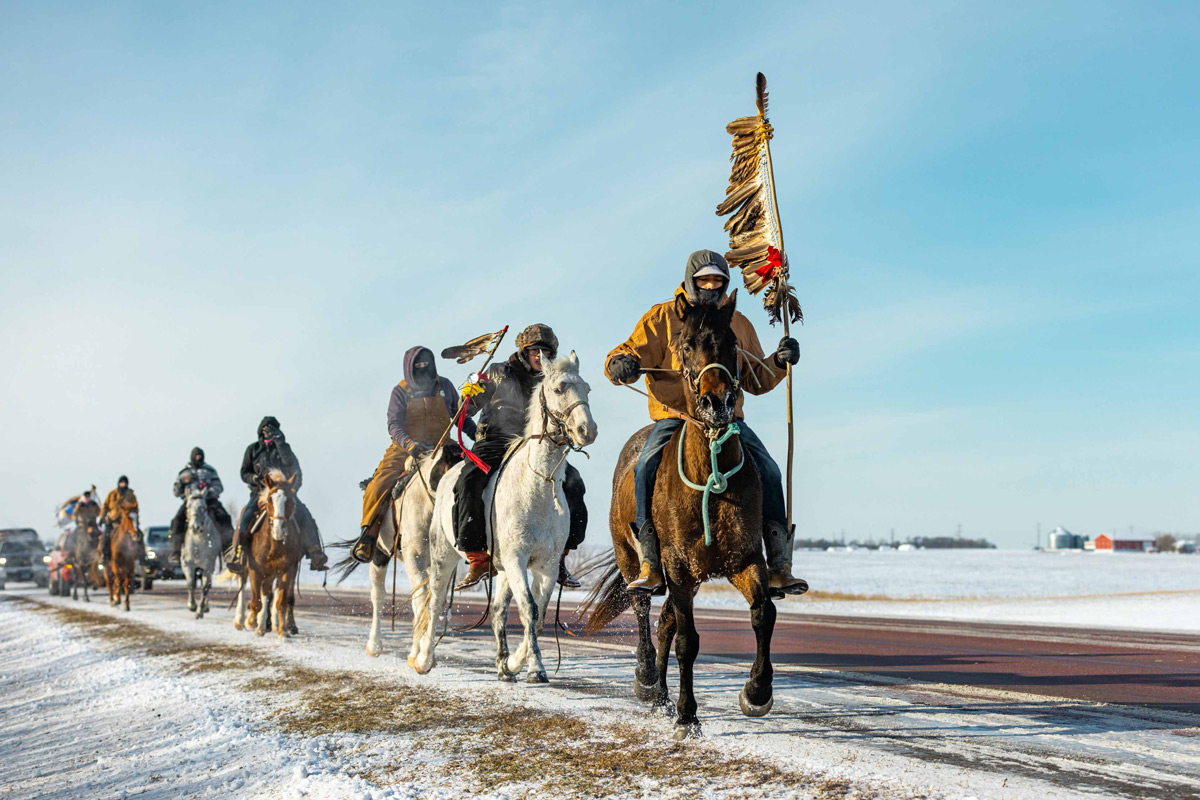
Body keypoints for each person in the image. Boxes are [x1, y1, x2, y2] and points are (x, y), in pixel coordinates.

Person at [604, 249, 806, 596]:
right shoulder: (662, 317)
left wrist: (779, 361)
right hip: (675, 417)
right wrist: (619, 363)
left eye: (717, 281)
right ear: (690, 281)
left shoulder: (738, 323)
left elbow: (756, 378)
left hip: (728, 418)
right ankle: (649, 561)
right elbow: (627, 352)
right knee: (644, 467)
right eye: (704, 280)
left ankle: (778, 565)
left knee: (770, 470)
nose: (711, 287)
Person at [452, 324, 587, 590]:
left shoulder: (553, 380)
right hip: (495, 440)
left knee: (574, 482)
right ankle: (478, 558)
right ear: (524, 351)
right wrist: (468, 395)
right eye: (535, 350)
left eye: (547, 352)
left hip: (534, 445)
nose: (540, 355)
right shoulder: (497, 372)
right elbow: (465, 412)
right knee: (468, 480)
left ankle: (559, 556)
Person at [352, 346, 473, 563]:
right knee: (378, 484)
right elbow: (394, 424)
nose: (423, 368)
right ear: (409, 367)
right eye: (418, 365)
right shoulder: (400, 391)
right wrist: (409, 443)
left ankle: (471, 535)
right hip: (405, 449)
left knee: (473, 473)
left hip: (443, 446)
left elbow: (460, 416)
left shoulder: (445, 386)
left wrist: (477, 433)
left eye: (426, 364)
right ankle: (368, 535)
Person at [229, 416, 328, 573]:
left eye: (272, 430)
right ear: (260, 432)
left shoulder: (284, 449)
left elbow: (293, 467)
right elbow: (244, 472)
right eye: (265, 431)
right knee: (246, 517)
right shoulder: (252, 449)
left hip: (284, 492)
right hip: (260, 493)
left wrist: (280, 442)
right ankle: (238, 555)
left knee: (305, 515)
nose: (268, 434)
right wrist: (254, 478)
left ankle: (315, 553)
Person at [168, 447, 234, 563]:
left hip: (209, 501)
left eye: (200, 456)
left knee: (224, 517)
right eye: (196, 456)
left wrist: (209, 492)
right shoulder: (184, 473)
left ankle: (228, 551)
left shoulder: (209, 470)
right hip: (190, 502)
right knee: (177, 521)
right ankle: (175, 552)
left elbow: (219, 486)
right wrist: (183, 482)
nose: (198, 458)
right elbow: (176, 492)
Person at [98, 475, 141, 559]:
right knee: (105, 536)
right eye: (121, 483)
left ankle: (141, 558)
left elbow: (135, 509)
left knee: (139, 536)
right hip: (113, 521)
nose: (123, 485)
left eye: (124, 483)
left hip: (127, 522)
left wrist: (134, 520)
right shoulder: (112, 494)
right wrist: (102, 517)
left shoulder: (131, 495)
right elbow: (105, 507)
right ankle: (105, 556)